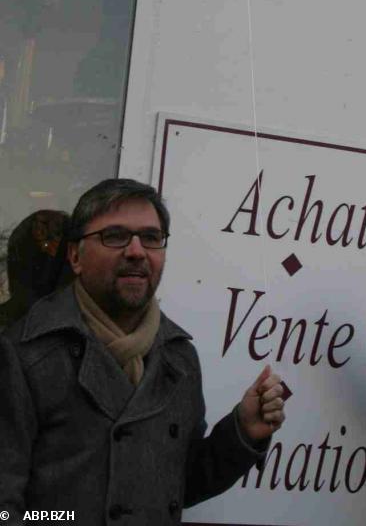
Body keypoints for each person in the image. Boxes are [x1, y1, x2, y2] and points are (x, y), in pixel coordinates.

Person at [0, 178, 286, 523]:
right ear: (75, 256)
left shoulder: (179, 358)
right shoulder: (21, 355)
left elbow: (176, 486)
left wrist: (242, 429)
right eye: (115, 236)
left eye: (151, 238)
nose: (136, 251)